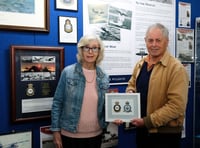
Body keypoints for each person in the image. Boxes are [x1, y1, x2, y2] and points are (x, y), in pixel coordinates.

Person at [125, 23, 189, 148]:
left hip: (164, 136)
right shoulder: (140, 64)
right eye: (150, 40)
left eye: (158, 40)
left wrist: (147, 121)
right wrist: (130, 93)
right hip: (142, 131)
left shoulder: (176, 69)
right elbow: (131, 84)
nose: (154, 44)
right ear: (145, 41)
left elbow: (177, 106)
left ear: (166, 42)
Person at [50, 34, 110, 148]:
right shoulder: (68, 73)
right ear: (81, 50)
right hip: (70, 135)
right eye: (86, 47)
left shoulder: (104, 77)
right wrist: (56, 131)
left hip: (95, 135)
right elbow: (57, 103)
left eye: (95, 48)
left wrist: (115, 115)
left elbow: (105, 106)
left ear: (99, 52)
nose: (90, 52)